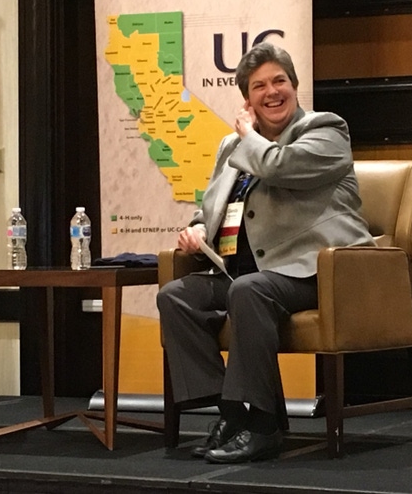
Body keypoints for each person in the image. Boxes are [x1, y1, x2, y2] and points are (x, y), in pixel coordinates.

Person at [156, 42, 375, 464]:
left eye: (279, 81)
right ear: (247, 98)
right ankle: (232, 412)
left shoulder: (326, 130)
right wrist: (198, 231)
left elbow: (279, 165)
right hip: (243, 272)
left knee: (250, 292)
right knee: (175, 296)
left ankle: (263, 427)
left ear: (295, 87)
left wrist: (248, 136)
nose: (272, 92)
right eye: (259, 86)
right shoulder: (230, 147)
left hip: (315, 271)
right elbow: (212, 208)